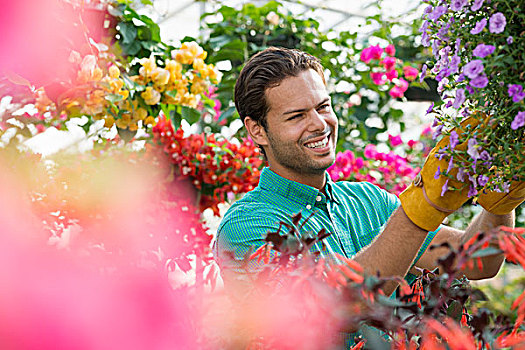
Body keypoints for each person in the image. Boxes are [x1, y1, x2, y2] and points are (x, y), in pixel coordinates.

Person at [214, 47, 522, 296]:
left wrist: (500, 195)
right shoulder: (247, 227)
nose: (320, 124)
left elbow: (476, 263)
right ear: (257, 131)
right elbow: (336, 307)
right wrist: (422, 205)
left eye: (323, 107)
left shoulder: (367, 200)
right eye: (297, 116)